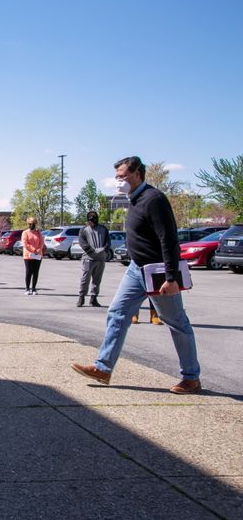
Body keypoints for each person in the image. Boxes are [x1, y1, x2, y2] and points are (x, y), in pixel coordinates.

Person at [71, 156, 201, 394]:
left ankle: (191, 378)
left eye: (122, 176)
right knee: (117, 313)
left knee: (176, 323)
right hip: (136, 270)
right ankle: (103, 368)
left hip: (159, 271)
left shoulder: (154, 199)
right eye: (117, 177)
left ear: (137, 174)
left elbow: (169, 239)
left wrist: (171, 278)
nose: (118, 181)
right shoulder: (133, 199)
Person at [76, 210, 111, 307]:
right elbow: (82, 243)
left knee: (97, 280)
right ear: (87, 220)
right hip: (88, 259)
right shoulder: (84, 230)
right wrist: (92, 251)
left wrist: (104, 250)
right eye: (90, 221)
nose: (91, 222)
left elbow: (108, 242)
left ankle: (93, 298)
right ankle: (81, 297)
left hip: (100, 259)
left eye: (93, 220)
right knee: (85, 279)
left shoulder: (104, 229)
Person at [21, 216, 44, 295]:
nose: (31, 225)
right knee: (29, 272)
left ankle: (34, 288)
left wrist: (38, 250)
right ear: (27, 224)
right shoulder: (25, 233)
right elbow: (25, 243)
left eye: (33, 224)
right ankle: (27, 288)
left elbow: (41, 242)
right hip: (28, 255)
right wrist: (33, 250)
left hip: (38, 255)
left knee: (36, 272)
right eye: (30, 224)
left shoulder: (38, 233)